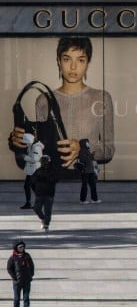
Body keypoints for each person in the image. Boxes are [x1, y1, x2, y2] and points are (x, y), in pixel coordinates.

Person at [9, 36, 116, 231]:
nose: (73, 66)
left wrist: (82, 146)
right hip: (52, 182)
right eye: (67, 59)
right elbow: (39, 147)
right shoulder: (43, 100)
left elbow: (108, 149)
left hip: (84, 180)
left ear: (88, 62)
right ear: (58, 60)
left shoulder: (101, 98)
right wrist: (20, 143)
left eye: (80, 59)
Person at [7, 240, 34, 307]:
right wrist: (14, 277)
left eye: (23, 246)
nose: (22, 248)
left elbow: (32, 266)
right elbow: (9, 268)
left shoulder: (27, 256)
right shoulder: (12, 258)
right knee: (16, 298)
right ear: (16, 248)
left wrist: (30, 275)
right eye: (20, 247)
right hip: (17, 281)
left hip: (26, 280)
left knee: (26, 298)